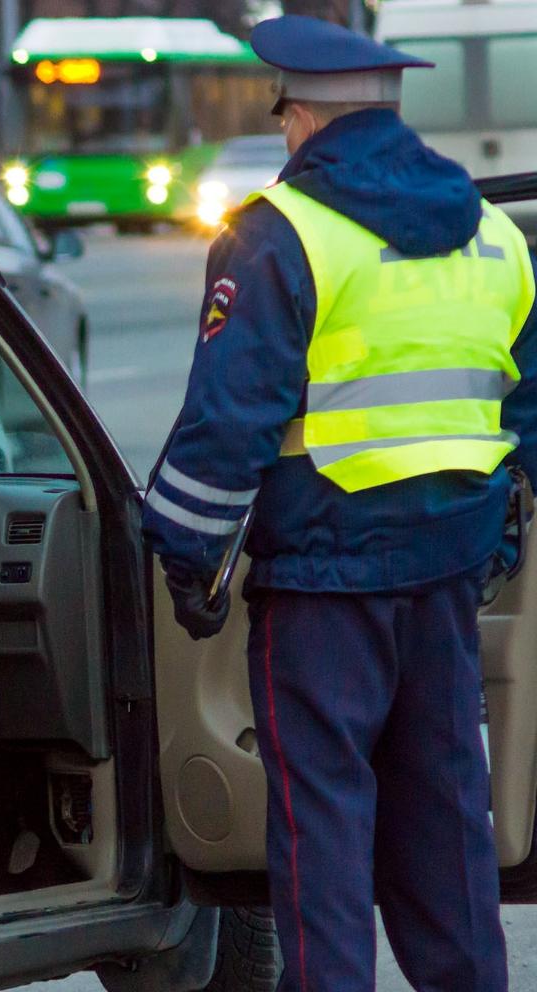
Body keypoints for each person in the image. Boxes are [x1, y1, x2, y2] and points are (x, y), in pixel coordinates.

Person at [142, 14, 537, 991]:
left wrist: (186, 562)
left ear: (303, 115)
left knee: (323, 834)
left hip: (322, 589)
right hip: (446, 583)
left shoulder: (280, 235)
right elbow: (524, 410)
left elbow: (227, 423)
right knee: (447, 827)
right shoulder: (494, 237)